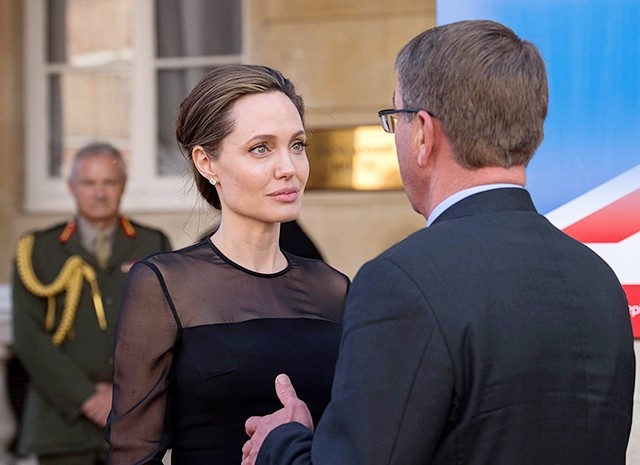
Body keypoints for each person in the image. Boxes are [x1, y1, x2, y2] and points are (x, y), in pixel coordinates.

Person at [242, 19, 635, 465]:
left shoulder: (402, 282)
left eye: (396, 118)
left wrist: (281, 442)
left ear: (424, 134)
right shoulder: (598, 279)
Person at [106, 64, 350, 464]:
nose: (288, 168)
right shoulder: (166, 285)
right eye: (261, 148)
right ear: (207, 163)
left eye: (297, 145)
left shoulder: (333, 289)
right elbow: (133, 454)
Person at [11, 142, 172, 465]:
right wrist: (87, 397)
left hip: (134, 419)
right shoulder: (38, 249)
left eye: (109, 182)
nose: (99, 193)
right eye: (88, 183)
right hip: (61, 425)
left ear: (123, 185)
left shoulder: (152, 243)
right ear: (71, 187)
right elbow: (29, 337)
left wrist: (123, 395)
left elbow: (165, 330)